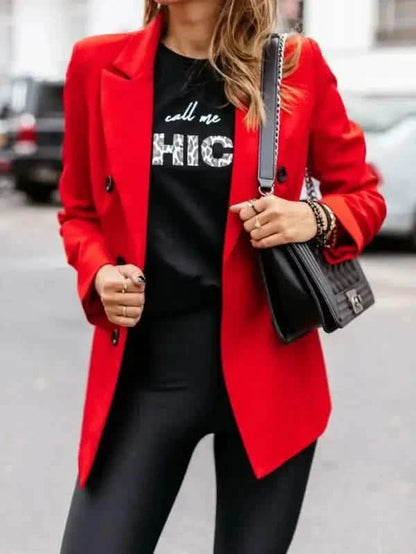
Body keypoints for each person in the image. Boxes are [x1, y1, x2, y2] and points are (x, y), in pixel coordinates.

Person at [57, 1, 386, 552]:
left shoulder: (293, 66)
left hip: (269, 370)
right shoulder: (97, 65)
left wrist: (314, 217)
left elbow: (363, 194)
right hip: (147, 372)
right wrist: (97, 273)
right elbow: (79, 210)